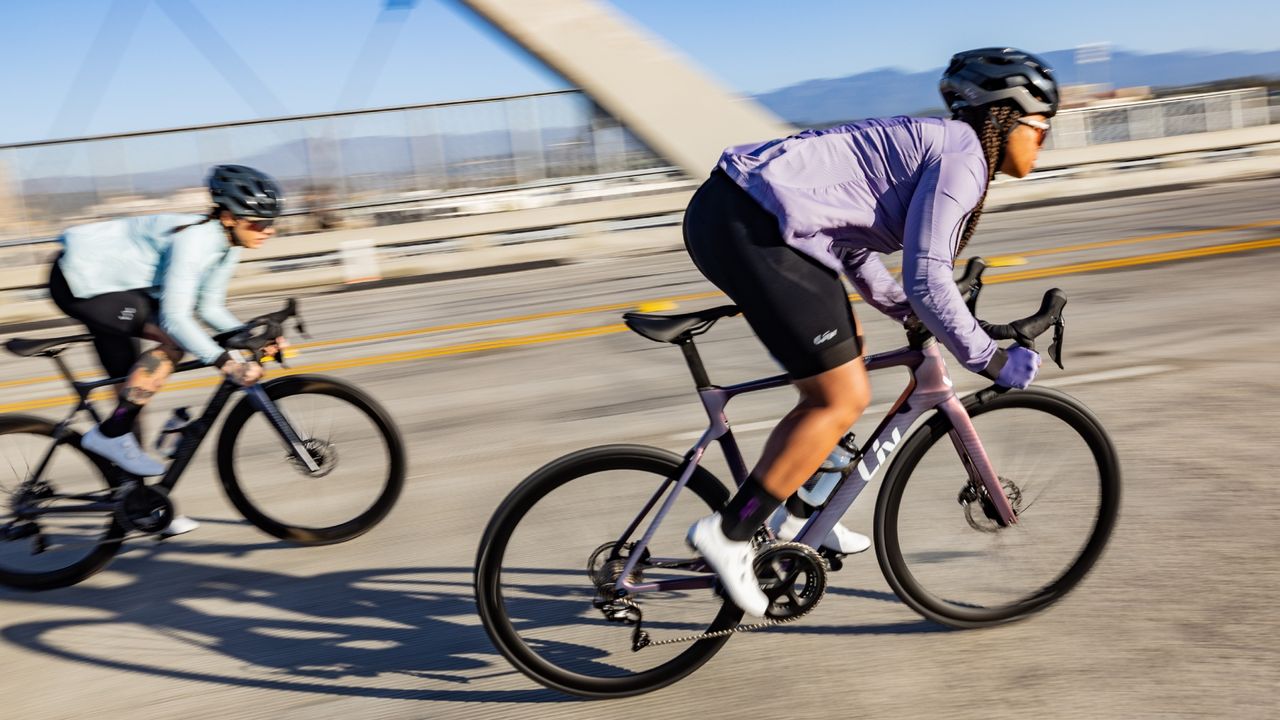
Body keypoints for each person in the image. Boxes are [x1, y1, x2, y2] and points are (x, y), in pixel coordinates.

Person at [683, 48, 1057, 616]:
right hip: (754, 226)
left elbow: (854, 242)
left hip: (733, 213)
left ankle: (803, 509)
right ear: (1007, 116)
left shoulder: (940, 144)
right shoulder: (964, 160)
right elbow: (930, 278)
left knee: (843, 358)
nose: (1044, 140)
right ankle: (731, 535)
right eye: (1041, 127)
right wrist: (989, 359)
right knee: (844, 394)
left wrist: (897, 304)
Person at [47, 164, 285, 536]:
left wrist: (249, 336)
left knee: (132, 395)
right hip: (77, 280)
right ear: (227, 217)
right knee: (170, 343)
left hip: (117, 288)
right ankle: (109, 437)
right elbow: (175, 320)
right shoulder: (195, 240)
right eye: (258, 223)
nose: (267, 231)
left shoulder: (227, 246)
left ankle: (141, 506)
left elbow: (208, 308)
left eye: (272, 223)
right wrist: (227, 363)